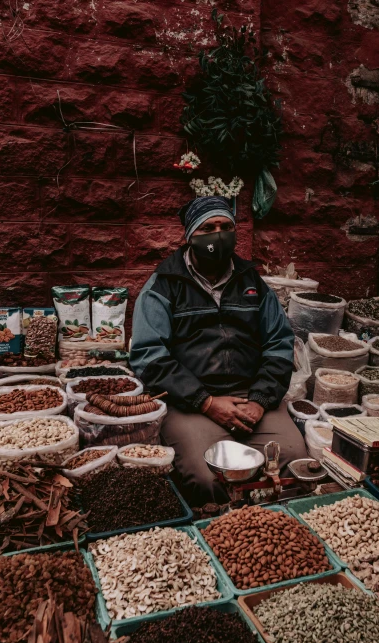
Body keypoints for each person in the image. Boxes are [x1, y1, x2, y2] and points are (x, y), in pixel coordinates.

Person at [130, 195, 307, 506]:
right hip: (191, 401)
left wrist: (261, 400)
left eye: (226, 226)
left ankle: (272, 525)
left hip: (250, 394)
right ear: (189, 237)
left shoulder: (252, 282)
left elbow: (279, 342)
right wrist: (207, 402)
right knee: (208, 477)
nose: (218, 235)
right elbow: (149, 357)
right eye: (208, 227)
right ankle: (219, 525)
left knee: (292, 459)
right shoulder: (164, 285)